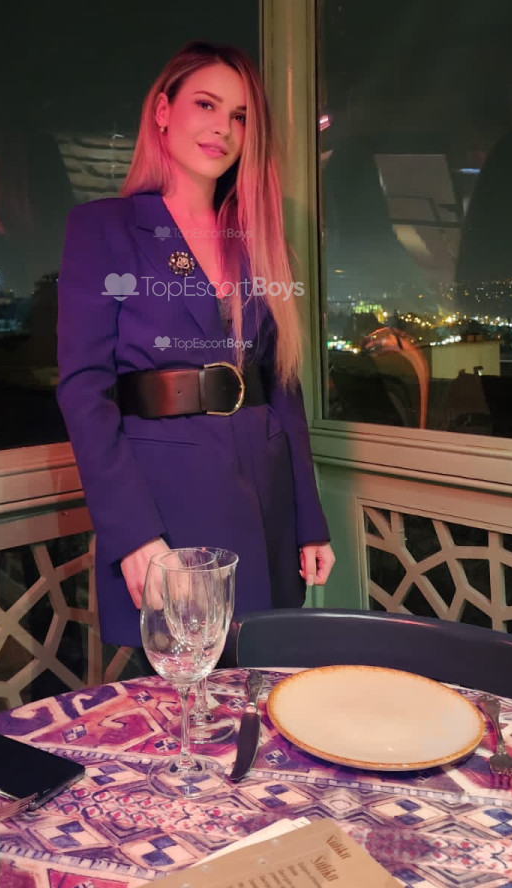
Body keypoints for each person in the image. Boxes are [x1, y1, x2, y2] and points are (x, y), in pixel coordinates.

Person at [57, 41, 335, 674]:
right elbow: (83, 390)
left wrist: (310, 519)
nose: (223, 129)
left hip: (265, 490)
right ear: (163, 111)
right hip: (167, 498)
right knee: (184, 691)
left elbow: (282, 384)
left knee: (261, 683)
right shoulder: (105, 228)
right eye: (206, 105)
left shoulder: (254, 232)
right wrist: (133, 534)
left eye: (240, 116)